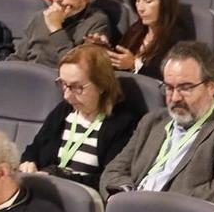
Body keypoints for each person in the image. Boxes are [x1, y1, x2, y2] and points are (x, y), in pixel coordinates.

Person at [98, 43, 214, 203]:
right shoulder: (152, 121)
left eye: (185, 88)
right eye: (169, 88)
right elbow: (114, 170)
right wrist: (126, 196)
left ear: (210, 87)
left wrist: (158, 205)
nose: (175, 98)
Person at [20, 44, 142, 189]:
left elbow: (108, 180)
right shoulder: (64, 111)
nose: (67, 96)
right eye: (63, 84)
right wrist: (29, 162)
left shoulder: (122, 123)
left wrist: (60, 179)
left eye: (77, 87)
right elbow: (34, 148)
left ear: (102, 85)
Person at [13, 0, 113, 65]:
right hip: (29, 76)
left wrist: (56, 28)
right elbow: (18, 58)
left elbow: (78, 67)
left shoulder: (97, 22)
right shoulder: (40, 17)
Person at [106, 0, 194, 78]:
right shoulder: (136, 29)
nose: (140, 8)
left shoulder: (178, 38)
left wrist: (133, 65)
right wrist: (105, 48)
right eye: (137, 0)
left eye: (147, 1)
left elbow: (165, 76)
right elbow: (120, 60)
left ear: (165, 2)